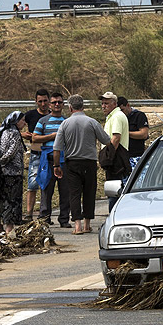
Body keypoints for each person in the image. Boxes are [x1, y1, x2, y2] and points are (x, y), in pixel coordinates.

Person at [53, 95, 111, 235]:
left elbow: (57, 148)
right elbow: (106, 140)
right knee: (89, 192)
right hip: (89, 163)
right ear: (83, 107)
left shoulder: (65, 124)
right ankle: (87, 224)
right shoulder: (92, 122)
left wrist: (56, 166)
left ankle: (77, 226)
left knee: (74, 193)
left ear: (70, 107)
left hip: (72, 163)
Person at [32, 92, 68, 227]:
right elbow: (35, 138)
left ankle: (64, 220)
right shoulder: (43, 121)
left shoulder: (66, 121)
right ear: (50, 105)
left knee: (65, 191)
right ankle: (44, 219)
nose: (57, 105)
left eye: (59, 102)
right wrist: (52, 136)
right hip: (48, 160)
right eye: (54, 102)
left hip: (64, 160)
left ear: (63, 104)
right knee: (46, 189)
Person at [0, 111, 27, 235]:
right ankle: (9, 227)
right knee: (12, 199)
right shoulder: (15, 133)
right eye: (22, 120)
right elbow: (12, 152)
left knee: (0, 198)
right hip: (13, 173)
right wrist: (2, 161)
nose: (24, 123)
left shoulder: (1, 131)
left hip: (0, 173)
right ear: (15, 121)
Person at [21, 89, 51, 222]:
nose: (43, 104)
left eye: (45, 101)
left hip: (50, 154)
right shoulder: (30, 115)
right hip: (35, 154)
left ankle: (45, 215)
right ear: (36, 102)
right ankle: (29, 214)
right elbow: (15, 126)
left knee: (47, 186)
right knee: (32, 185)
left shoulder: (53, 115)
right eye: (40, 101)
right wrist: (23, 134)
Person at [100, 92, 130, 212]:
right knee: (114, 189)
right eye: (102, 103)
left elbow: (116, 138)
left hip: (116, 158)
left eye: (106, 103)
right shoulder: (113, 116)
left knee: (114, 190)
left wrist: (108, 157)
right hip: (115, 156)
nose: (103, 106)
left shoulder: (117, 116)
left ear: (114, 104)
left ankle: (114, 216)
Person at [120, 96, 149, 180]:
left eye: (122, 110)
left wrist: (126, 134)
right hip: (123, 158)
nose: (122, 113)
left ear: (128, 105)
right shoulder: (119, 118)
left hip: (136, 156)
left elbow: (144, 134)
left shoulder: (139, 116)